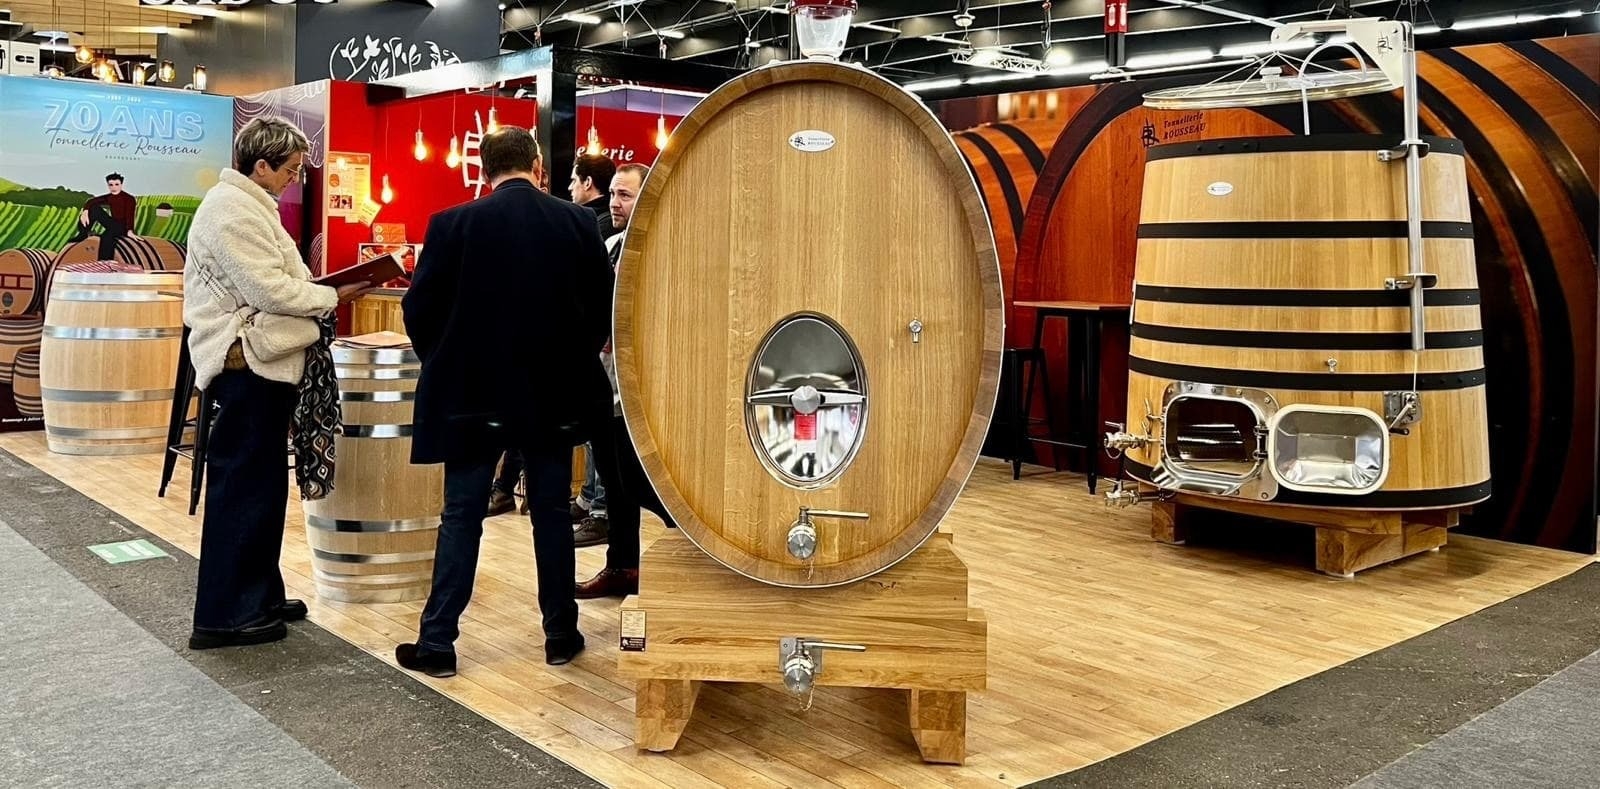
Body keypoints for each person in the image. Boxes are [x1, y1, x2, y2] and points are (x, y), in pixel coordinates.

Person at [397, 127, 613, 675]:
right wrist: (572, 358)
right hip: (552, 394)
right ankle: (561, 634)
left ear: (484, 170)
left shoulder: (451, 224)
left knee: (461, 515)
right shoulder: (577, 222)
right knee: (551, 514)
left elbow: (419, 311)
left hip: (471, 394)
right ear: (538, 166)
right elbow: (602, 309)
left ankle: (438, 642)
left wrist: (447, 360)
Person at [182, 118, 370, 650]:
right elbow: (272, 290)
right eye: (289, 168)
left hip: (259, 361)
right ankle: (225, 616)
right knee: (243, 487)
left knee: (260, 485)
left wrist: (318, 292)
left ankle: (258, 594)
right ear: (260, 165)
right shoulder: (231, 210)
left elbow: (283, 283)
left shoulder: (247, 205)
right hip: (246, 361)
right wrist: (333, 296)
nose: (293, 178)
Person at [576, 163, 675, 599]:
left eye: (625, 195)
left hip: (648, 387)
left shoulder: (663, 248)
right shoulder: (611, 244)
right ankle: (622, 566)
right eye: (613, 194)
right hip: (606, 383)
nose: (614, 203)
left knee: (640, 481)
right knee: (614, 484)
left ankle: (692, 550)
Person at [68, 172, 137, 256]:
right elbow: (91, 201)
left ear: (121, 185)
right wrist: (85, 211)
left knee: (106, 237)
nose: (114, 187)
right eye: (111, 185)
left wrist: (130, 230)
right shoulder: (109, 197)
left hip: (122, 227)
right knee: (94, 208)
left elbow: (130, 216)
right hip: (113, 223)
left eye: (116, 184)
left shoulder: (129, 199)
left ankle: (105, 261)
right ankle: (83, 234)